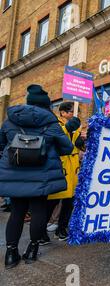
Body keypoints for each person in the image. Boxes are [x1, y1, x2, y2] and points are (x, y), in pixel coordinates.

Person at [0, 85, 73, 269]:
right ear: (46, 105)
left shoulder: (10, 121)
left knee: (17, 213)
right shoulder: (51, 123)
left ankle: (10, 253)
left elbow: (1, 145)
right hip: (42, 174)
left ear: (28, 101)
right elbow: (67, 148)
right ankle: (32, 250)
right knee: (39, 211)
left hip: (15, 174)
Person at [41, 102, 85, 245]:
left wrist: (83, 138)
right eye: (70, 111)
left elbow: (78, 145)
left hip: (74, 169)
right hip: (60, 167)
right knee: (52, 201)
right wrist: (68, 128)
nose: (73, 114)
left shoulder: (75, 127)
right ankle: (41, 231)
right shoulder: (55, 124)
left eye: (73, 111)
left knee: (69, 202)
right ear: (62, 113)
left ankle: (62, 228)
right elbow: (57, 139)